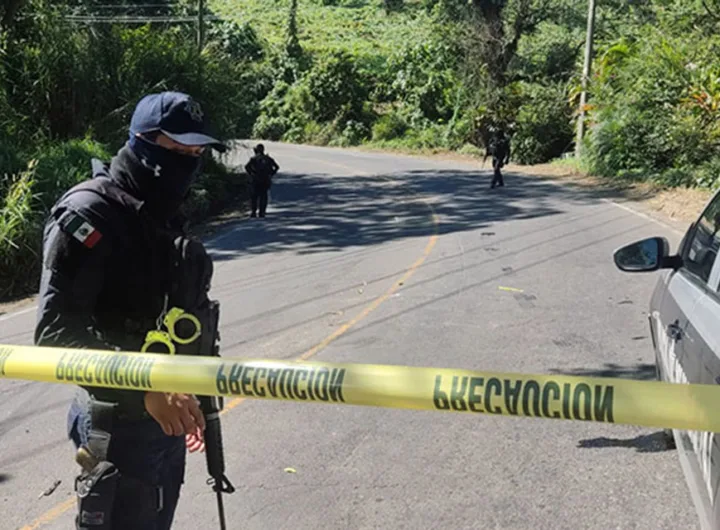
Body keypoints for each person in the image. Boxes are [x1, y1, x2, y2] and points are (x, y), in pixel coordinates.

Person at [33, 91, 228, 530]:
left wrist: (190, 392)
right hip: (116, 419)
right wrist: (148, 390)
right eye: (177, 151)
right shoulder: (89, 214)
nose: (188, 162)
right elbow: (56, 335)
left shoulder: (159, 214)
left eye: (196, 153)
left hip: (165, 418)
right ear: (141, 143)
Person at [244, 143, 279, 218]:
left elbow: (246, 167)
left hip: (255, 180)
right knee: (264, 196)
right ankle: (262, 212)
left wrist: (251, 174)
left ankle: (253, 212)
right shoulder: (268, 159)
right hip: (265, 180)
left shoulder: (253, 159)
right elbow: (276, 167)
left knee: (254, 196)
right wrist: (271, 174)